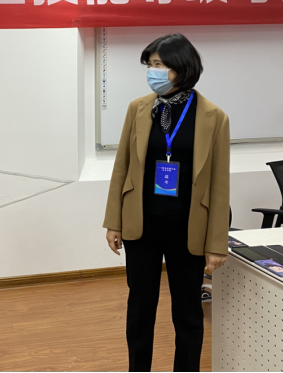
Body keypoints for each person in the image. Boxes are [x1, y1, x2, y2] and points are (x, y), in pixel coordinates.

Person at [102, 34, 230, 372]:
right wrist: (113, 221)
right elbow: (122, 167)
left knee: (188, 313)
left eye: (158, 64)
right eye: (150, 65)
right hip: (142, 226)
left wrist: (216, 243)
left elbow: (220, 185)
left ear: (181, 67)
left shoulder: (214, 117)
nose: (152, 72)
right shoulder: (139, 109)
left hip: (188, 229)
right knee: (140, 309)